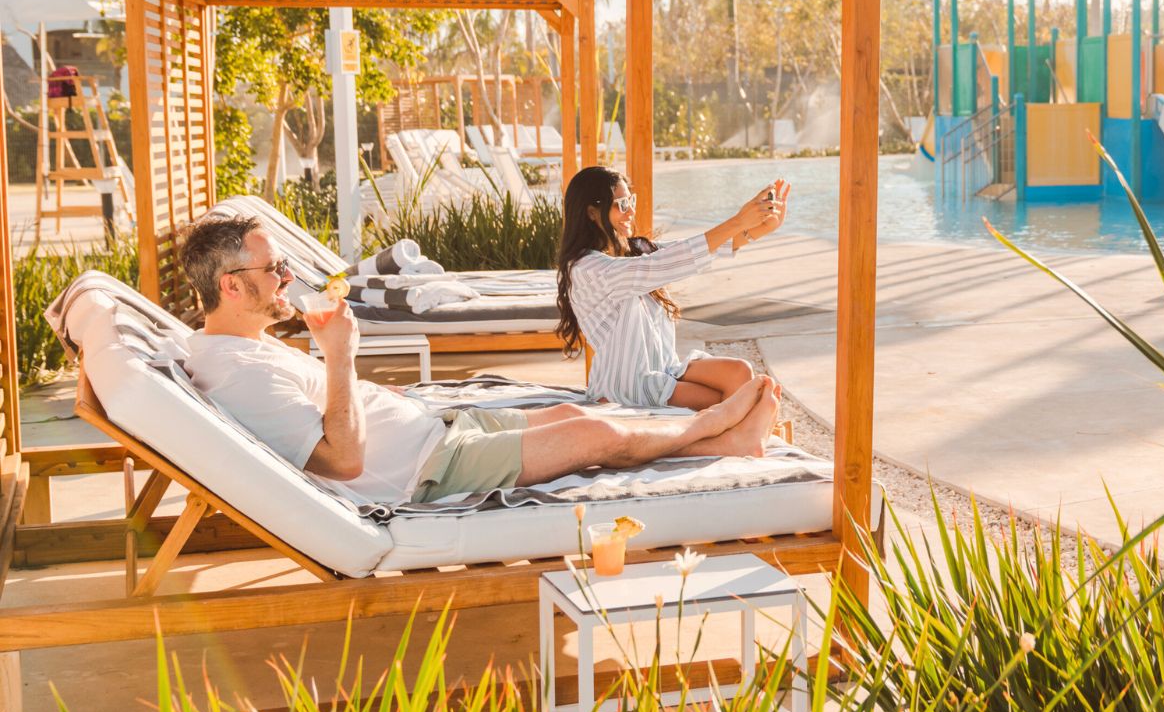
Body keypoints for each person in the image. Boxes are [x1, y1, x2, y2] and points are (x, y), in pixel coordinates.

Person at [177, 214, 781, 506]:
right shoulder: (237, 373)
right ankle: (712, 430)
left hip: (435, 432)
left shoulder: (239, 349)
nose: (288, 277)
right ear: (231, 286)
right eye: (273, 269)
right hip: (426, 468)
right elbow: (344, 460)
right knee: (593, 433)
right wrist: (340, 356)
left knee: (576, 417)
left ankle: (726, 445)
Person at [557, 166, 789, 409]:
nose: (631, 211)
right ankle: (738, 439)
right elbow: (666, 263)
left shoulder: (634, 251)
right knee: (732, 400)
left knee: (739, 372)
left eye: (631, 201)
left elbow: (692, 249)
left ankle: (740, 433)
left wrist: (761, 228)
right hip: (628, 384)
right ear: (592, 213)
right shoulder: (588, 269)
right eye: (621, 204)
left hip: (665, 369)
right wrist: (739, 221)